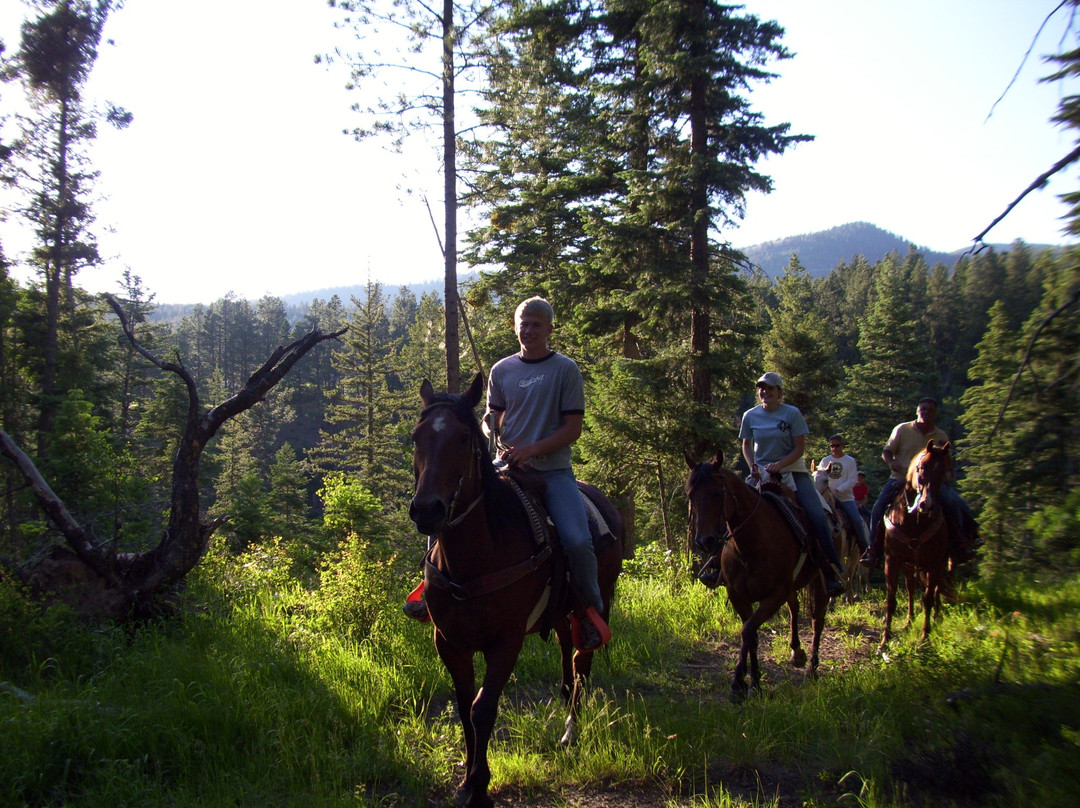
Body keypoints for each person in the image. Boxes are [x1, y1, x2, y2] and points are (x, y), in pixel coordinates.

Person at [406, 297, 610, 652]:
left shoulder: (565, 370)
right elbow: (492, 419)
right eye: (523, 323)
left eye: (536, 324)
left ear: (549, 329)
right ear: (514, 327)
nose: (528, 330)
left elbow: (572, 428)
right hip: (505, 467)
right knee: (446, 517)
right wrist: (488, 428)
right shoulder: (502, 370)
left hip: (552, 472)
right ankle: (430, 591)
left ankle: (590, 613)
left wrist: (530, 450)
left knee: (578, 540)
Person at [740, 372, 845, 597]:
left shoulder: (792, 414)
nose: (764, 392)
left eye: (769, 388)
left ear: (780, 392)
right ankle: (719, 566)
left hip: (793, 472)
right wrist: (752, 466)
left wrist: (780, 465)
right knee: (734, 506)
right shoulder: (750, 415)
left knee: (817, 515)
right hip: (761, 474)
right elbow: (747, 445)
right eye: (761, 388)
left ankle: (831, 570)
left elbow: (799, 449)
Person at [860, 397, 981, 568]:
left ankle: (965, 541)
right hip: (901, 478)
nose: (926, 412)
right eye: (923, 409)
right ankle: (873, 550)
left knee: (955, 502)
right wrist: (892, 462)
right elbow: (887, 451)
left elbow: (947, 463)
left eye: (930, 410)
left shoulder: (940, 436)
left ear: (935, 413)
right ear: (917, 411)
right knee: (879, 506)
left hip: (931, 483)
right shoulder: (902, 429)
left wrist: (946, 474)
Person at [818, 435, 871, 552]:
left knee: (856, 521)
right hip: (827, 498)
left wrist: (838, 490)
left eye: (837, 445)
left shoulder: (850, 461)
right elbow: (820, 477)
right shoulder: (825, 461)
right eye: (832, 446)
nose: (834, 448)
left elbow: (852, 480)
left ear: (842, 446)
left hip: (845, 498)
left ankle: (865, 550)